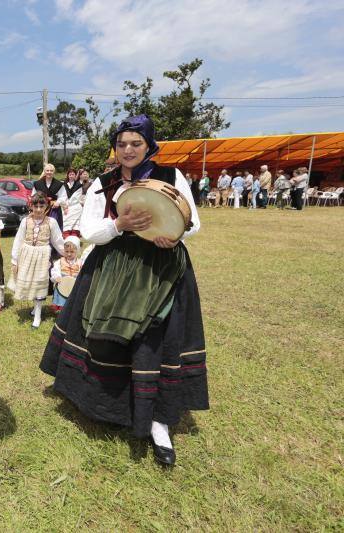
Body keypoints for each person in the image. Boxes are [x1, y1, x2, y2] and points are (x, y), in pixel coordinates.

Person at [40, 114, 208, 467]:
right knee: (105, 336)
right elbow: (89, 231)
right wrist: (119, 224)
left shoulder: (171, 176)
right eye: (121, 144)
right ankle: (104, 405)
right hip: (113, 267)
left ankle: (159, 421)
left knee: (155, 341)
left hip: (160, 269)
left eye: (136, 143)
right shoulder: (102, 182)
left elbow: (192, 223)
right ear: (114, 148)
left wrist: (173, 235)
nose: (127, 150)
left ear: (149, 146)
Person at [11, 191, 65, 329]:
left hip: (42, 255)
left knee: (40, 282)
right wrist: (14, 260)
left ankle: (38, 315)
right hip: (27, 254)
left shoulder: (51, 222)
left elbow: (57, 240)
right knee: (30, 282)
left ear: (46, 207)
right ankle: (36, 308)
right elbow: (18, 240)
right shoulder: (25, 221)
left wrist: (66, 253)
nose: (39, 210)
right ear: (31, 207)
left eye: (42, 206)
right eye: (36, 207)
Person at [50, 236, 81, 312]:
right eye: (67, 252)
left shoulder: (80, 262)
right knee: (62, 301)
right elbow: (55, 271)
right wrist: (57, 276)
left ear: (77, 251)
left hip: (74, 286)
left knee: (73, 303)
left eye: (72, 252)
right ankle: (61, 313)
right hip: (62, 286)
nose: (69, 254)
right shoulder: (60, 262)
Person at [33, 163, 68, 229]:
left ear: (54, 172)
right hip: (40, 209)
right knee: (41, 227)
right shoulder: (37, 183)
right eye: (47, 170)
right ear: (44, 171)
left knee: (53, 227)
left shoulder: (59, 184)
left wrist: (58, 202)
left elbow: (63, 196)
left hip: (54, 209)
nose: (49, 172)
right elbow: (33, 196)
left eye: (51, 171)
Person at [62, 168, 90, 238]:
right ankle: (67, 238)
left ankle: (75, 238)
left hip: (76, 208)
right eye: (70, 174)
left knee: (76, 225)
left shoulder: (79, 184)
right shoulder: (64, 184)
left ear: (75, 175)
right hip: (66, 208)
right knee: (66, 223)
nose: (71, 176)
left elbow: (79, 196)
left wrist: (81, 172)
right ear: (68, 175)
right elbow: (62, 196)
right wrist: (64, 206)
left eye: (73, 174)